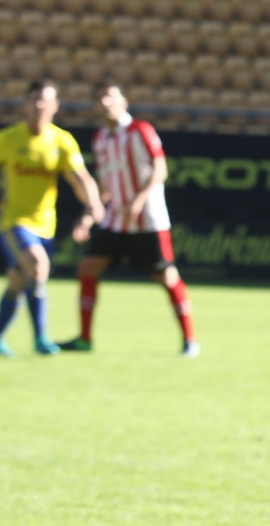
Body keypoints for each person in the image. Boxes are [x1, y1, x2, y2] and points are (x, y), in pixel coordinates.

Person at [0, 79, 105, 357]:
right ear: (25, 104)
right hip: (13, 221)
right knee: (38, 265)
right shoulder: (7, 139)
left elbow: (79, 178)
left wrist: (92, 205)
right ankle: (41, 339)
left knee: (18, 280)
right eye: (34, 99)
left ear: (56, 106)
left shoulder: (62, 141)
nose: (39, 105)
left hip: (46, 224)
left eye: (45, 100)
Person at [60, 81, 199, 357]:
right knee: (87, 267)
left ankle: (189, 340)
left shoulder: (140, 131)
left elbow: (160, 170)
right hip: (116, 221)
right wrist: (90, 215)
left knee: (167, 277)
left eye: (110, 96)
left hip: (148, 220)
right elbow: (105, 183)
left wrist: (139, 199)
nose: (105, 102)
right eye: (100, 98)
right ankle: (85, 339)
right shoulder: (100, 139)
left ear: (124, 101)